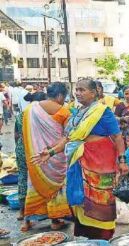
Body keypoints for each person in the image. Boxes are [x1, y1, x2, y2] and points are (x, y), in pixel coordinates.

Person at [32, 79, 129, 240]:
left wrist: (123, 160)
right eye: (76, 90)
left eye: (82, 90)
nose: (78, 93)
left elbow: (118, 137)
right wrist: (50, 152)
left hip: (100, 162)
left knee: (101, 199)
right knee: (82, 200)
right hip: (79, 160)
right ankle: (87, 237)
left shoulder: (103, 111)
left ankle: (103, 237)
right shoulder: (77, 112)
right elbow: (69, 138)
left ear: (93, 92)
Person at [21, 83, 70, 231]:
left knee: (34, 185)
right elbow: (67, 136)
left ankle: (27, 221)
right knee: (56, 188)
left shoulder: (30, 109)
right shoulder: (64, 111)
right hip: (56, 155)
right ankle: (55, 220)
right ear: (60, 95)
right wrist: (53, 150)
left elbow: (26, 135)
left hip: (36, 155)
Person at [15, 92, 47, 223]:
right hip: (37, 150)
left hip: (22, 148)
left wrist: (18, 149)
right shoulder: (43, 115)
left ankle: (22, 210)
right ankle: (45, 212)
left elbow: (16, 135)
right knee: (41, 178)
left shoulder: (20, 115)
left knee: (23, 177)